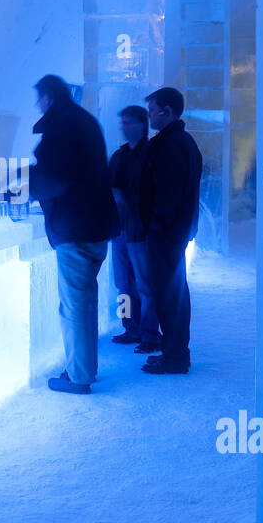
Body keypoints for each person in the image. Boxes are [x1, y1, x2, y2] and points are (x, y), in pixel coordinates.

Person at [29, 75, 119, 394]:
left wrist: (29, 184)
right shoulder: (84, 121)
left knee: (74, 306)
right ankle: (84, 368)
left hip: (75, 227)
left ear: (49, 97)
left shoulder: (62, 125)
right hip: (95, 225)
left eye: (39, 98)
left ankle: (79, 376)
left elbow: (55, 177)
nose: (37, 105)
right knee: (85, 302)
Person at [136, 86, 202, 375]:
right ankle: (175, 352)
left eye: (152, 110)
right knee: (171, 292)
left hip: (166, 233)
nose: (149, 115)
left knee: (169, 294)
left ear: (167, 111)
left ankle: (175, 356)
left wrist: (156, 224)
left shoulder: (171, 144)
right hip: (171, 231)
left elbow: (167, 193)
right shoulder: (178, 141)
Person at [108, 106, 160, 353]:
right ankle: (131, 328)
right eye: (123, 123)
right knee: (123, 283)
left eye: (129, 122)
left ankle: (148, 333)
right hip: (120, 228)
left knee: (144, 284)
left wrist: (121, 197)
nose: (124, 127)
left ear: (142, 124)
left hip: (139, 228)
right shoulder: (120, 156)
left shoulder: (150, 155)